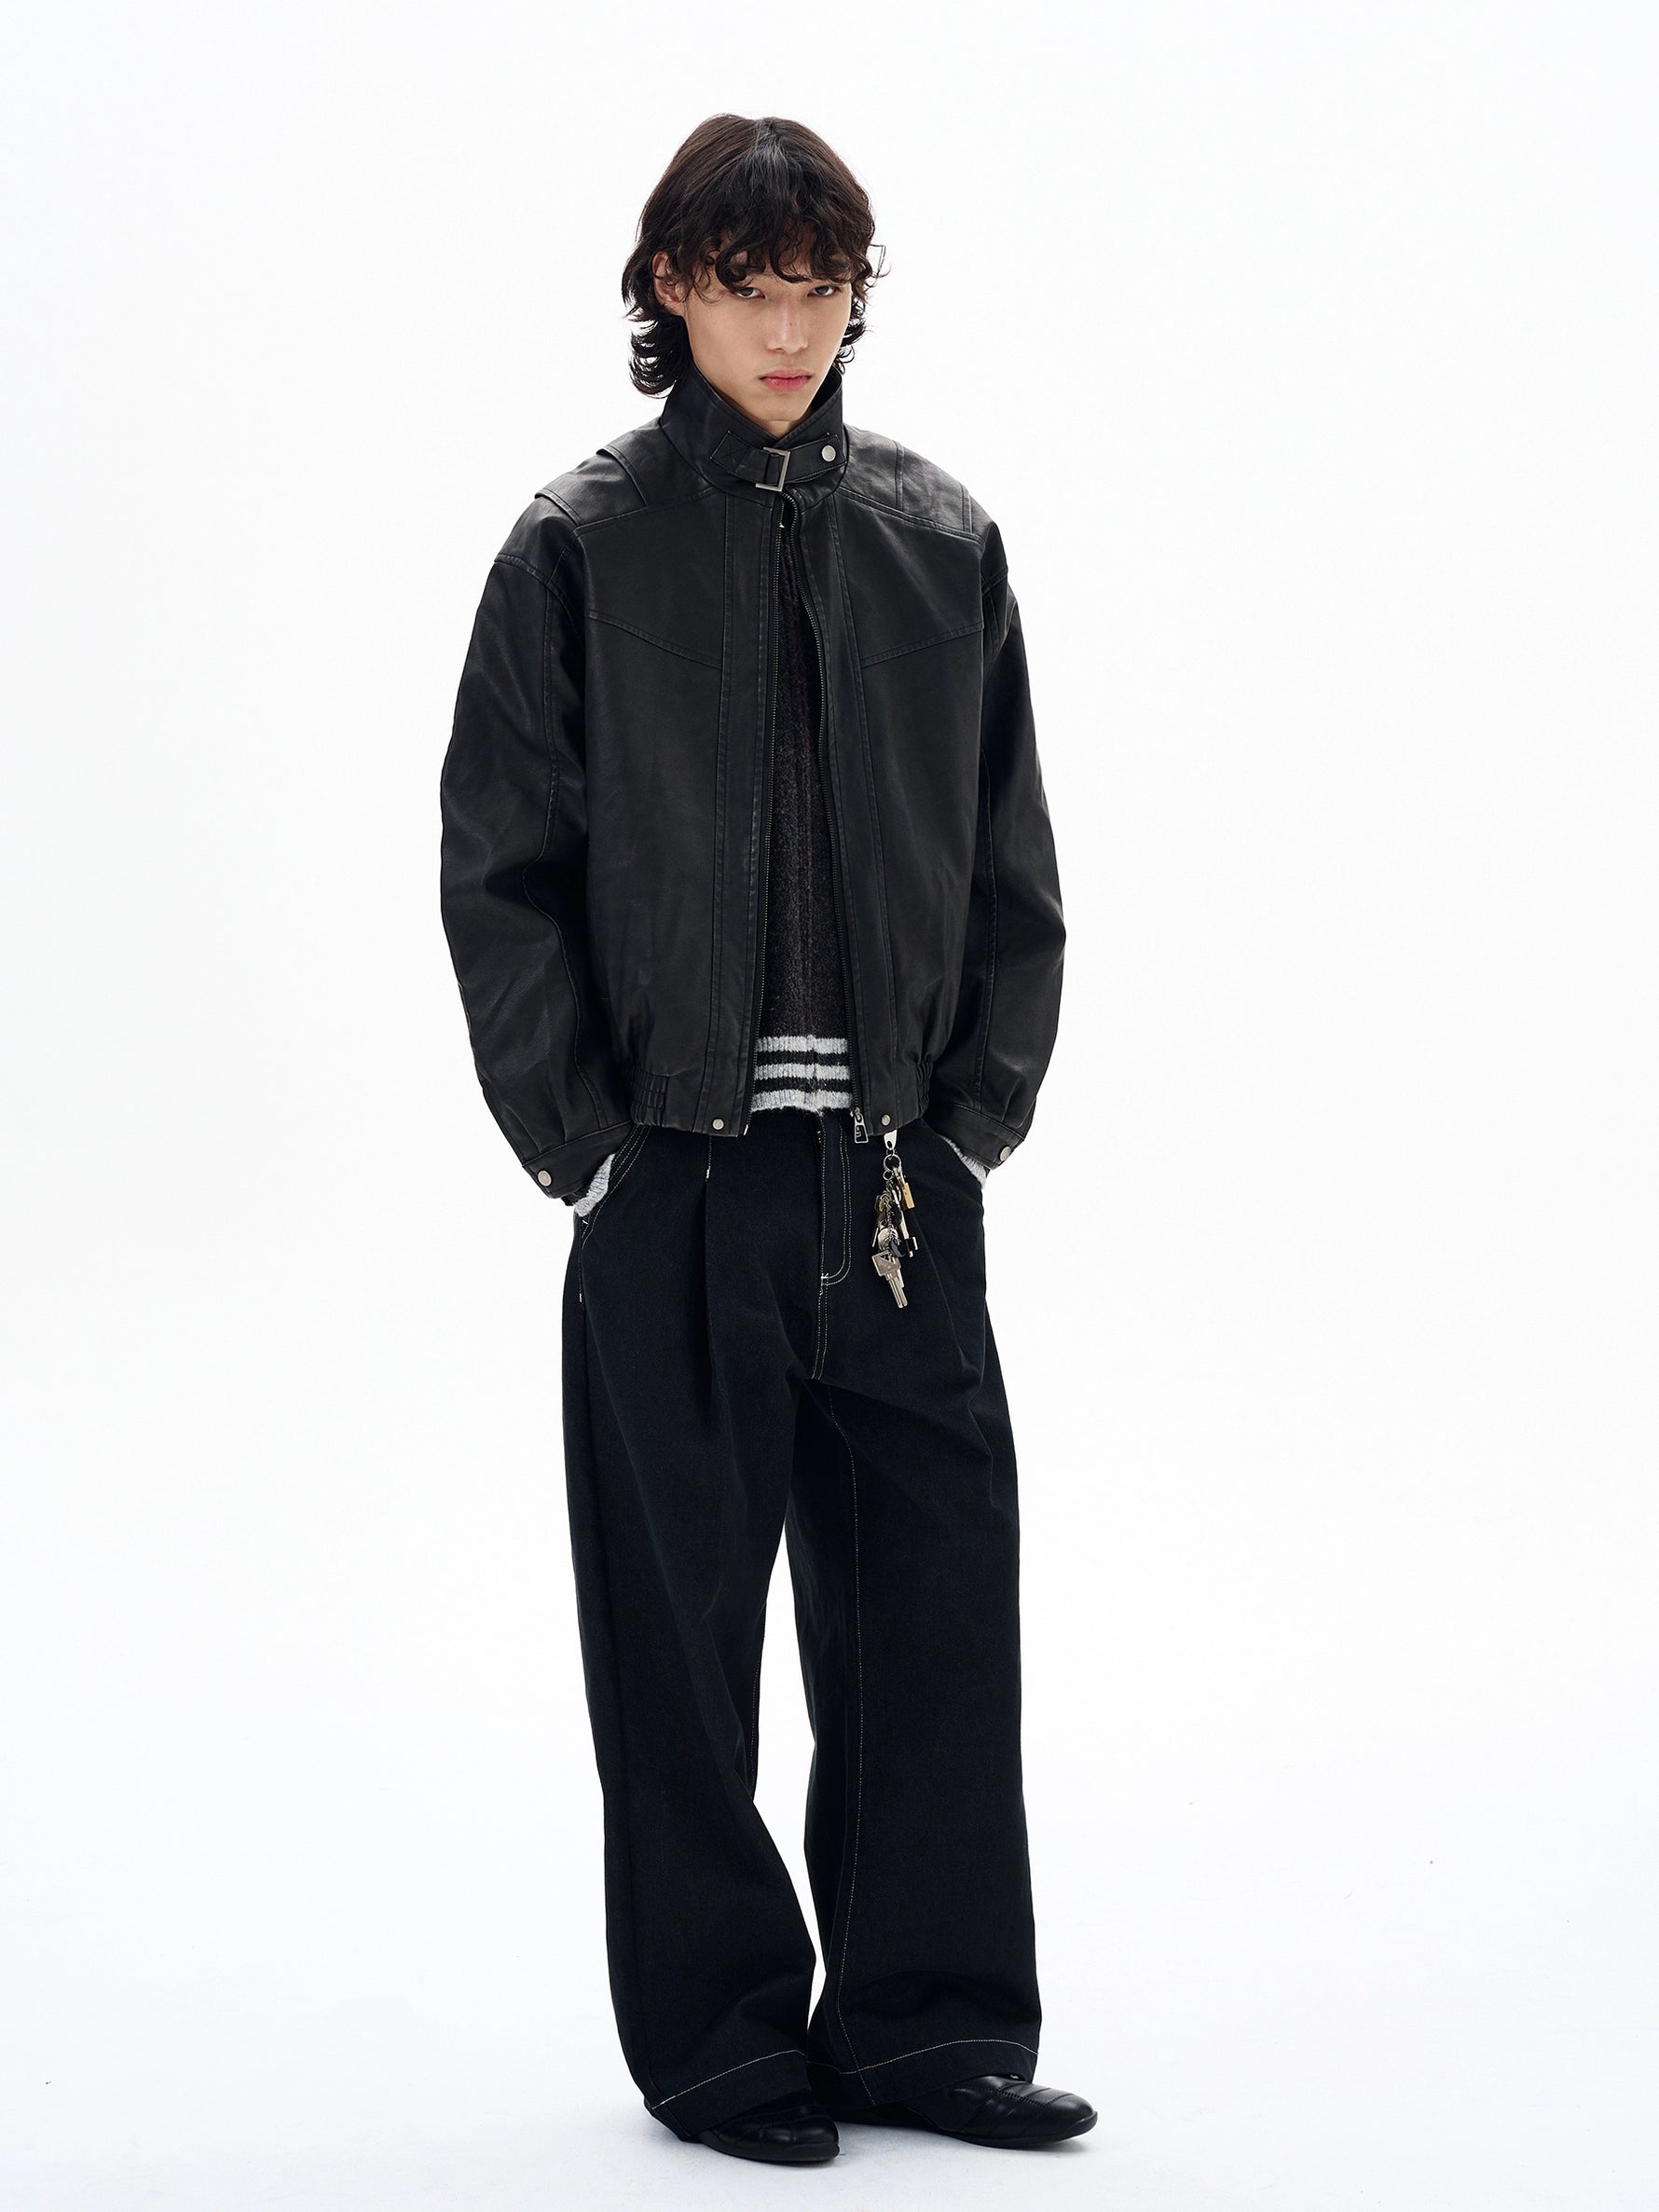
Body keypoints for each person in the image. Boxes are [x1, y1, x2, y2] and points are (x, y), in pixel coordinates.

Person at [438, 113, 1088, 2166]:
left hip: (893, 1186)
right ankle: (720, 2040)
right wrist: (591, 1148)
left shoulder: (940, 539)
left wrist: (969, 1123)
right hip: (676, 1181)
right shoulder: (577, 547)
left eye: (822, 286)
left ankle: (928, 2026)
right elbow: (497, 870)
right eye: (749, 287)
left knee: (932, 1622)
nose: (791, 327)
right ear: (672, 289)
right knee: (678, 1640)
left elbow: (1011, 862)